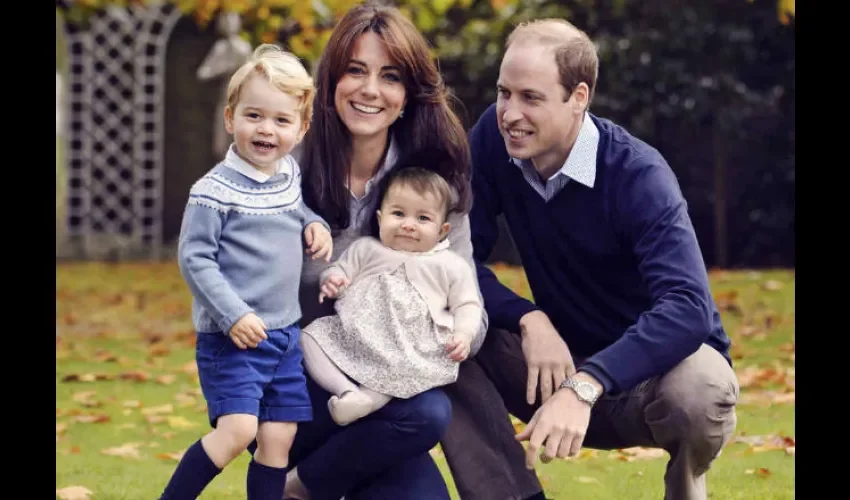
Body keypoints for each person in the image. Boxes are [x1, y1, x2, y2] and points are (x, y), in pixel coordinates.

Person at [440, 18, 740, 500]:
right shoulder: (494, 143)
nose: (510, 113)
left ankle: (685, 489)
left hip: (648, 382)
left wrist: (588, 383)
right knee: (439, 328)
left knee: (701, 389)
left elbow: (689, 306)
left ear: (579, 97)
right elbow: (452, 259)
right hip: (552, 366)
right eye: (504, 93)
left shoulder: (637, 174)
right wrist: (528, 318)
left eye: (531, 98)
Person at [250, 3, 489, 499]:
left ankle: (300, 487)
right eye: (355, 71)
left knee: (423, 420)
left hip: (386, 399)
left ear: (408, 95)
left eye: (390, 76)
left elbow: (469, 303)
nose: (370, 90)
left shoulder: (434, 183)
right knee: (424, 414)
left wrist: (437, 334)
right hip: (292, 382)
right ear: (332, 80)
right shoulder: (284, 165)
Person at [159, 44, 333, 500]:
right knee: (238, 430)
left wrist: (313, 222)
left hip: (284, 337)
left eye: (281, 120)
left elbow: (294, 211)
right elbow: (195, 259)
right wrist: (233, 314)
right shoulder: (212, 192)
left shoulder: (288, 176)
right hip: (232, 338)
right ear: (230, 117)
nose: (266, 130)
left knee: (279, 438)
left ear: (301, 127)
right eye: (254, 116)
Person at [301, 166, 484, 426]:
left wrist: (463, 334)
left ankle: (367, 400)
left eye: (423, 219)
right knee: (308, 338)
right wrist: (332, 281)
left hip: (410, 346)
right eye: (398, 214)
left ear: (442, 231)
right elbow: (340, 271)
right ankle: (347, 392)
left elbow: (467, 304)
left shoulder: (449, 265)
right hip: (356, 335)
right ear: (379, 218)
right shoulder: (366, 249)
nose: (408, 225)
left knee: (399, 370)